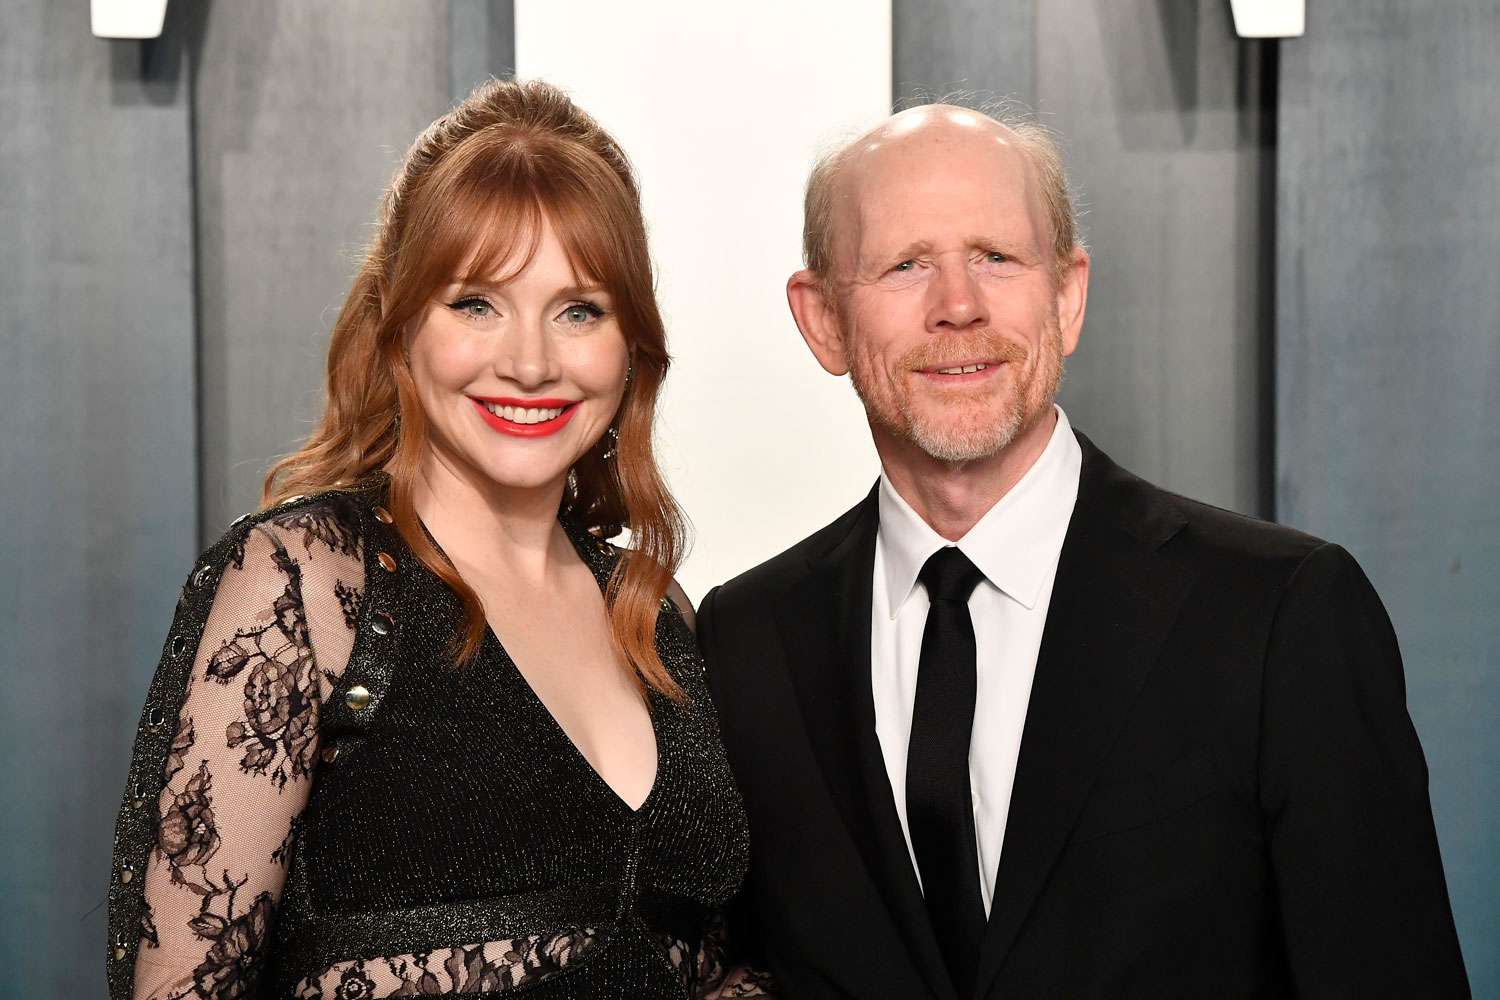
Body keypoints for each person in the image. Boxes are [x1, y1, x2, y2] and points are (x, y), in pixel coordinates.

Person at [696, 103, 1470, 998]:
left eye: (997, 257)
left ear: (1067, 297)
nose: (959, 306)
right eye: (906, 264)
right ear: (823, 318)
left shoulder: (1279, 615)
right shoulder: (747, 639)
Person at [107, 79, 773, 1000]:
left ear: (632, 346)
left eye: (579, 309)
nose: (531, 362)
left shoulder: (657, 616)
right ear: (400, 328)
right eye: (476, 304)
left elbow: (709, 960)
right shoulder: (306, 586)